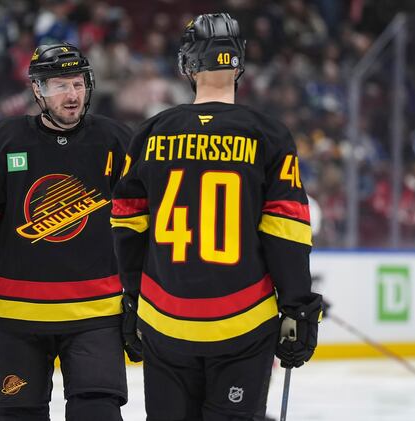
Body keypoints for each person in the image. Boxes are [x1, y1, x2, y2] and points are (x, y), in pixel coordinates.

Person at [111, 13, 323, 421]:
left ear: (188, 64)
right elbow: (286, 230)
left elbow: (127, 226)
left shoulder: (151, 133)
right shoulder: (269, 135)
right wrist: (298, 306)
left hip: (164, 321)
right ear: (239, 63)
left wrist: (133, 298)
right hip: (243, 325)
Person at [0, 43, 131, 421]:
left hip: (96, 314)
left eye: (78, 83)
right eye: (59, 86)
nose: (72, 96)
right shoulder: (2, 143)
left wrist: (143, 293)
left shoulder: (116, 141)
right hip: (16, 317)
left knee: (98, 413)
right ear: (37, 90)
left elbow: (140, 225)